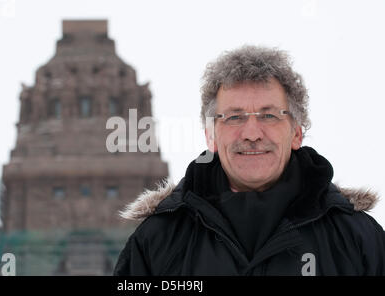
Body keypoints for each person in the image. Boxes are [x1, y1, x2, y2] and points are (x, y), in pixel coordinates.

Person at [113, 45, 385, 276]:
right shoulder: (158, 240)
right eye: (234, 117)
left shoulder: (356, 237)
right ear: (211, 137)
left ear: (297, 133)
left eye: (269, 115)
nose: (252, 134)